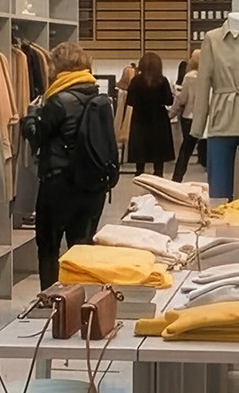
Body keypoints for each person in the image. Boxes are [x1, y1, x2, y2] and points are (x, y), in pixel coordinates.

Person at [20, 42, 114, 288]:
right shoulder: (99, 97)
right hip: (93, 183)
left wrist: (30, 116)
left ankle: (51, 298)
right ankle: (79, 297)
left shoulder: (58, 100)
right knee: (81, 247)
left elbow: (37, 135)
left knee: (48, 245)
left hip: (59, 182)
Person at [124, 50, 176, 176]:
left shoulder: (136, 80)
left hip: (140, 119)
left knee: (140, 152)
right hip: (159, 119)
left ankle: (139, 174)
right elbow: (169, 100)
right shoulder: (162, 80)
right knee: (159, 154)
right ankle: (158, 175)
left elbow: (130, 101)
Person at [171, 57, 203, 182]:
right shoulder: (210, 75)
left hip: (189, 117)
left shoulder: (189, 77)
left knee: (186, 150)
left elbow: (182, 99)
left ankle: (177, 178)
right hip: (206, 116)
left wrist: (171, 114)